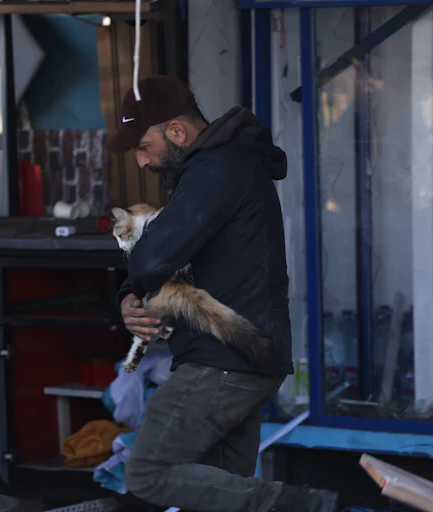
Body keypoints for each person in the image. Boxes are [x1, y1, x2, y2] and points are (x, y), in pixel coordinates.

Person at [105, 75, 338, 512]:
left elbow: (155, 255)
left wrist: (132, 285)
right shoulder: (223, 167)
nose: (141, 162)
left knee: (147, 471)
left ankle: (297, 507)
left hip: (222, 360)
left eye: (143, 146)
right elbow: (163, 255)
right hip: (245, 360)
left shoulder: (217, 168)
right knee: (219, 495)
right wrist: (128, 294)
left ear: (176, 131)